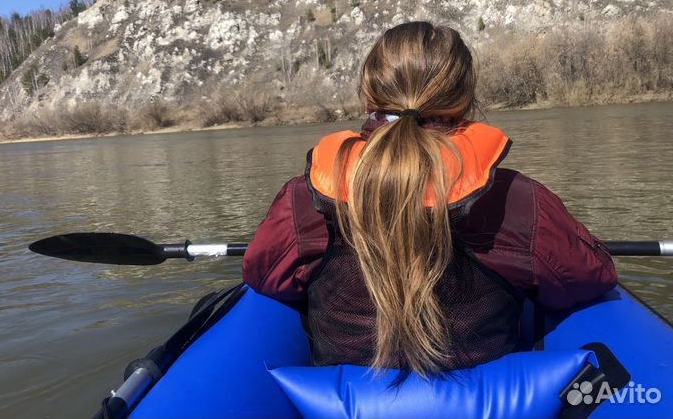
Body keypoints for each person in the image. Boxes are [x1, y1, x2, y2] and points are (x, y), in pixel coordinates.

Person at [242, 21, 617, 377]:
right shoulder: (517, 200)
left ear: (370, 96)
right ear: (465, 98)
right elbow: (591, 278)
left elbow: (263, 276)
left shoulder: (304, 200)